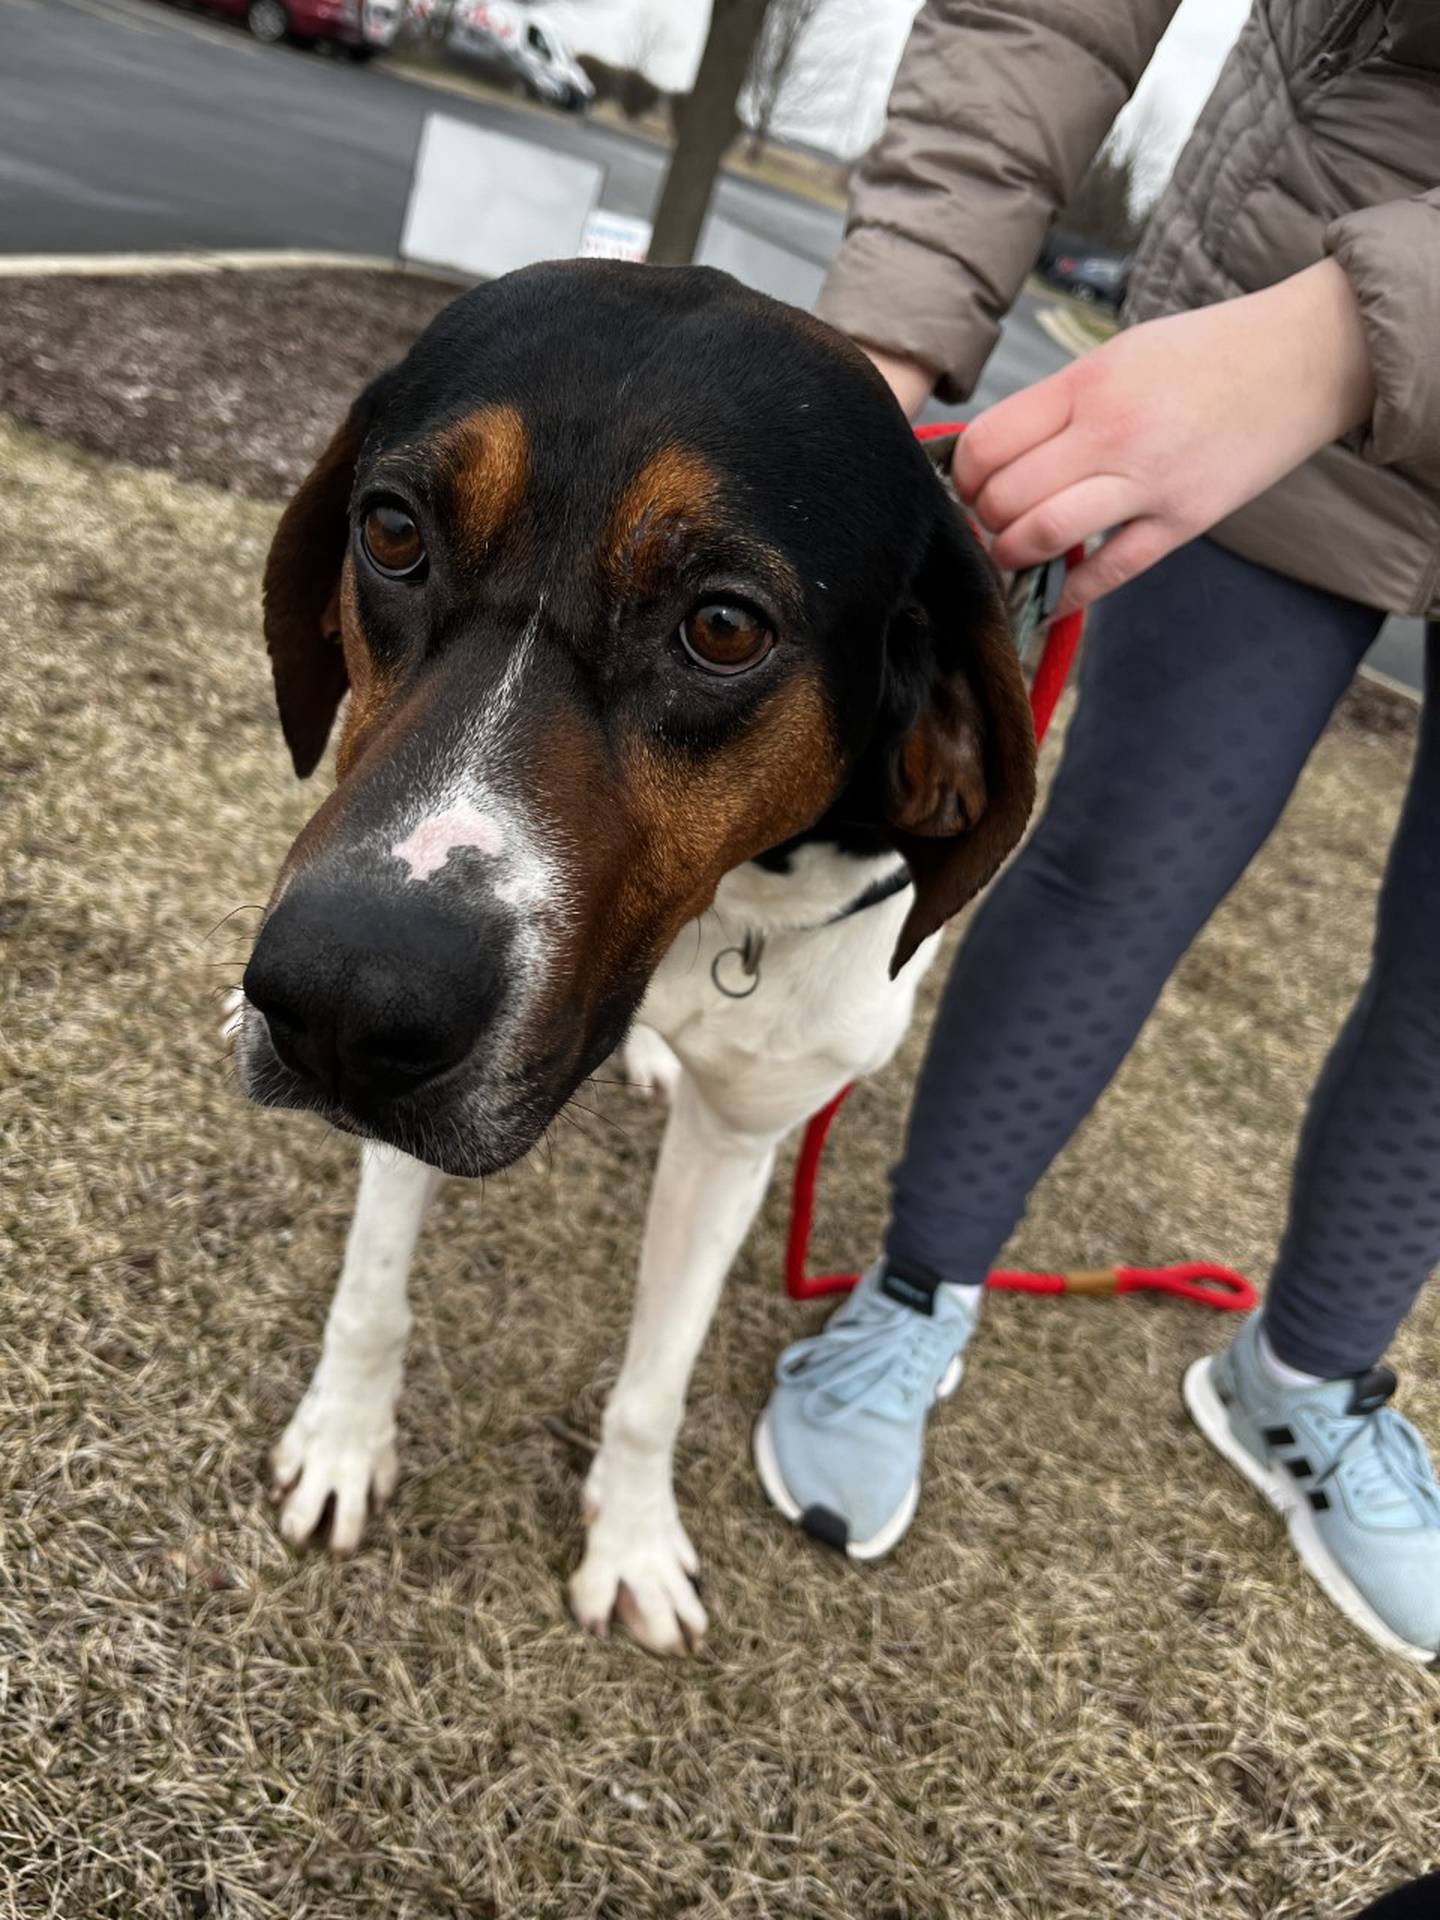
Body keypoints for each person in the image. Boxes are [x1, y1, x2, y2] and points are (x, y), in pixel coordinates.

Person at [754, 0, 1440, 1664]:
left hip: (1328, 330)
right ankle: (917, 1290)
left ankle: (1310, 1375)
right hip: (1285, 280)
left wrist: (1367, 334)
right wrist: (892, 333)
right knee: (1124, 860)